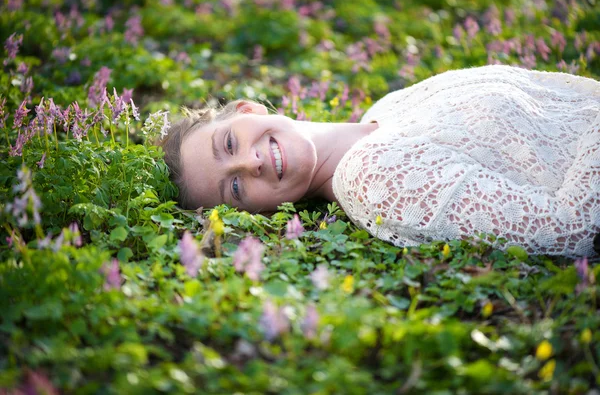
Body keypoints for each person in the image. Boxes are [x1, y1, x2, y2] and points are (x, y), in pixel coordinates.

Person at [160, 65, 600, 257]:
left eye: (230, 145)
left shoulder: (384, 110)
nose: (250, 163)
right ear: (261, 212)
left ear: (247, 110)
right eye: (235, 188)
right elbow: (572, 225)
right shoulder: (373, 180)